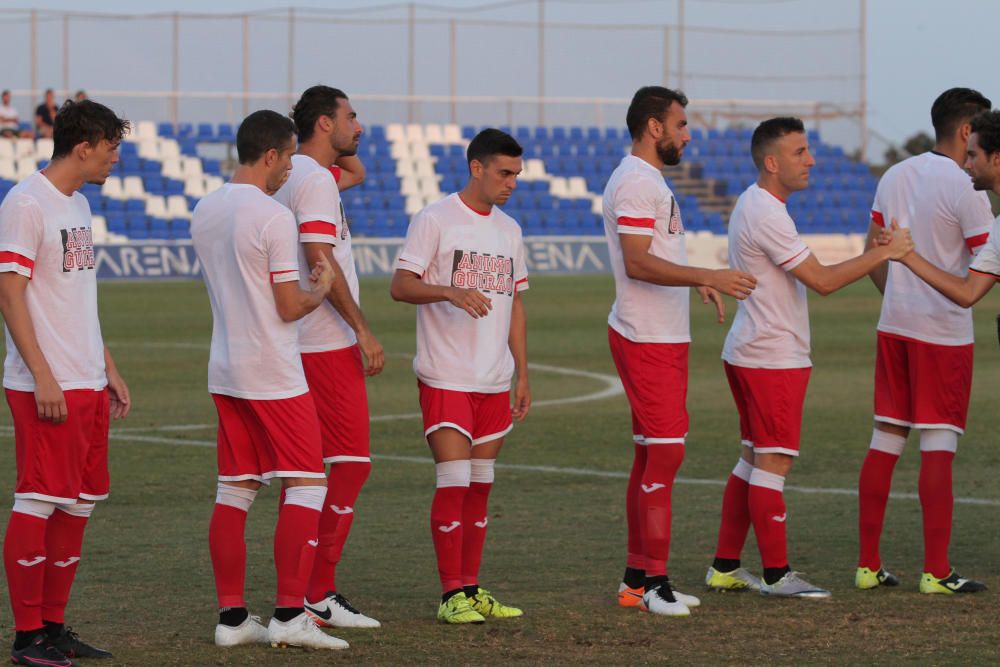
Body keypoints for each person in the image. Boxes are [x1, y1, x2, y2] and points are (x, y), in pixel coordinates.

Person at [705, 116, 913, 599]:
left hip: (751, 348)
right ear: (773, 162)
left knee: (752, 459)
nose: (811, 160)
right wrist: (887, 254)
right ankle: (778, 575)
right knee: (773, 462)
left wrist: (876, 251)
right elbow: (822, 281)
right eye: (800, 152)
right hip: (770, 355)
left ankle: (725, 567)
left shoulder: (756, 204)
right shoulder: (767, 213)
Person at [191, 109, 348, 651]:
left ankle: (232, 621)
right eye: (287, 161)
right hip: (273, 373)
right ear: (272, 155)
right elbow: (287, 306)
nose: (289, 174)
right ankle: (288, 616)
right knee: (307, 484)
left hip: (226, 368)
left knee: (234, 490)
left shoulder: (204, 208)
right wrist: (320, 289)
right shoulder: (272, 216)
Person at [604, 86, 757, 617]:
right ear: (654, 127)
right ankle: (654, 584)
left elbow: (656, 256)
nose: (688, 134)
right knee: (666, 452)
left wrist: (695, 282)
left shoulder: (650, 181)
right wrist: (706, 273)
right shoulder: (634, 182)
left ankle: (635, 580)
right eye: (682, 124)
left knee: (652, 452)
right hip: (646, 335)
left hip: (660, 333)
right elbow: (638, 262)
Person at [0, 99, 131, 667]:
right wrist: (43, 374)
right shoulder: (27, 203)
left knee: (76, 507)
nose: (114, 161)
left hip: (85, 378)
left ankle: (54, 628)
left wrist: (107, 366)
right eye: (110, 149)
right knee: (37, 500)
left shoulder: (77, 204)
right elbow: (10, 293)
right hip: (46, 384)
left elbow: (75, 298)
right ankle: (27, 637)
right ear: (84, 147)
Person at [389, 128, 530, 625]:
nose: (512, 182)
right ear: (477, 168)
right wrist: (449, 292)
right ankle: (451, 593)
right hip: (446, 373)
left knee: (480, 485)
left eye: (516, 174)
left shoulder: (510, 230)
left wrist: (522, 374)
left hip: (494, 378)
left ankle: (472, 587)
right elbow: (400, 286)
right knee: (452, 481)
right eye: (504, 172)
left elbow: (515, 305)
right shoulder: (435, 219)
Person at [856, 90, 994, 595]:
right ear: (967, 131)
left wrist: (898, 297)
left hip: (894, 323)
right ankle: (936, 570)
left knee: (886, 439)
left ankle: (868, 565)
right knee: (938, 445)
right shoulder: (968, 187)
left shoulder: (893, 174)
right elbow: (985, 266)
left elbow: (871, 251)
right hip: (943, 333)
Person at [273, 85, 385, 629]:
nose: (359, 127)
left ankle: (305, 592)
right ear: (323, 123)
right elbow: (320, 258)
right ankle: (316, 591)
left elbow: (357, 172)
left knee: (307, 475)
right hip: (323, 342)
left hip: (298, 344)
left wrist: (333, 143)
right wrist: (361, 329)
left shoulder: (297, 173)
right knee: (348, 466)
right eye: (350, 117)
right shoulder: (314, 179)